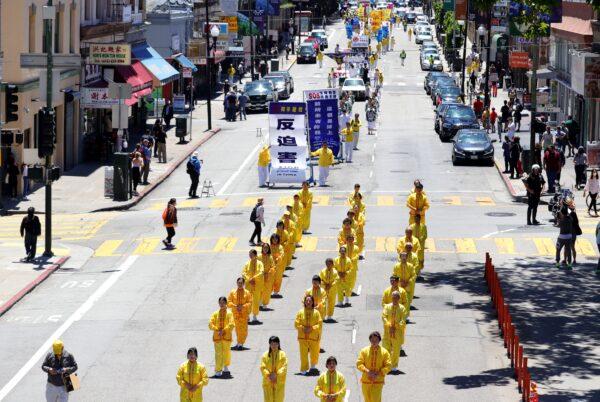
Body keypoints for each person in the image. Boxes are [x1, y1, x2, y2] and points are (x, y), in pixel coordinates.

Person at [356, 331, 392, 402]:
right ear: (370, 340)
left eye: (376, 340)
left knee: (375, 400)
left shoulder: (384, 352)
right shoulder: (364, 351)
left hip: (378, 381)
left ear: (379, 340)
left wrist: (379, 373)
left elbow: (388, 365)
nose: (374, 342)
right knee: (367, 400)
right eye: (372, 340)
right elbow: (359, 363)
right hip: (366, 381)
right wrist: (368, 371)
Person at [295, 294, 323, 375]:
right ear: (304, 302)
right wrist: (303, 328)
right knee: (303, 354)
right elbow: (296, 324)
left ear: (313, 302)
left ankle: (313, 366)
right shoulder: (300, 312)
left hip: (313, 337)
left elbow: (320, 324)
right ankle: (304, 369)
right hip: (302, 337)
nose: (308, 302)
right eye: (307, 300)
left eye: (310, 301)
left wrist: (312, 328)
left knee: (314, 352)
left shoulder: (317, 312)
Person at [382, 291, 407, 373]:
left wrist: (396, 326)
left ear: (399, 298)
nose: (394, 299)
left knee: (396, 350)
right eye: (393, 297)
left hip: (397, 332)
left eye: (396, 297)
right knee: (386, 348)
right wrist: (389, 325)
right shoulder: (387, 307)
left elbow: (403, 320)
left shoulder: (402, 308)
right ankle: (387, 365)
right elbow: (384, 317)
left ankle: (394, 365)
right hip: (387, 331)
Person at [209, 297, 235, 377]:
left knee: (226, 353)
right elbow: (210, 324)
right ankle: (218, 370)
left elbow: (231, 324)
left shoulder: (229, 313)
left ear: (226, 303)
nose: (222, 304)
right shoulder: (215, 313)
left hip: (226, 336)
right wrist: (216, 329)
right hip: (217, 337)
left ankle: (225, 367)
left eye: (223, 302)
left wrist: (223, 330)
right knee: (218, 354)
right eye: (220, 303)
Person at [228, 277, 252, 350]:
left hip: (244, 314)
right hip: (235, 314)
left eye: (241, 283)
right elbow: (228, 302)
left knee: (244, 330)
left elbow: (250, 302)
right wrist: (235, 306)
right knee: (237, 329)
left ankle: (241, 343)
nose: (240, 284)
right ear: (237, 283)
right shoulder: (233, 292)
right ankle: (239, 343)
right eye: (239, 283)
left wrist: (243, 306)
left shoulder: (247, 293)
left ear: (244, 284)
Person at [261, 336, 288, 402]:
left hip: (279, 382)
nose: (274, 346)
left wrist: (276, 374)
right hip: (268, 382)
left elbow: (284, 367)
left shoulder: (282, 354)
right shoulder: (265, 355)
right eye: (272, 344)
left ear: (278, 344)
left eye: (275, 344)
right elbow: (262, 367)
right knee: (268, 400)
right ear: (269, 344)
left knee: (278, 399)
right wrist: (268, 374)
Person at [243, 249, 265, 323]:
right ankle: (248, 315)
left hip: (257, 285)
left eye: (252, 254)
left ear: (255, 255)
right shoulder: (247, 264)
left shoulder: (260, 263)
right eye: (250, 254)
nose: (250, 256)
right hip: (249, 285)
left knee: (256, 301)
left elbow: (261, 272)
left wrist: (254, 278)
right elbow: (244, 273)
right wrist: (249, 279)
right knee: (248, 301)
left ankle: (255, 315)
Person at [319, 258, 339, 322]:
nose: (328, 265)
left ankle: (329, 316)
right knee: (323, 302)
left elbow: (336, 280)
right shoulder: (322, 271)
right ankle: (323, 316)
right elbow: (320, 279)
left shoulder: (335, 272)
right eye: (327, 264)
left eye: (329, 264)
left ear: (332, 264)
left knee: (331, 302)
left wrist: (330, 285)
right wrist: (325, 285)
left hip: (332, 289)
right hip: (324, 289)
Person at [260, 244, 276, 310]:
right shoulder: (259, 257)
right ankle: (259, 302)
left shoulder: (270, 257)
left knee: (267, 291)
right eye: (264, 248)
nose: (265, 249)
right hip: (261, 276)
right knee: (260, 290)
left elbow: (273, 266)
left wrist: (269, 273)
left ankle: (264, 303)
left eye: (267, 248)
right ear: (262, 248)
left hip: (268, 277)